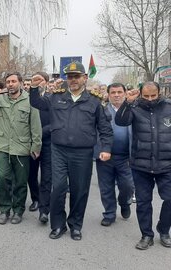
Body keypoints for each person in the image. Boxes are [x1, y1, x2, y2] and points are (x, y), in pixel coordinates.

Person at [29, 62, 113, 241]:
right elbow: (36, 102)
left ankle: (75, 225)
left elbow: (105, 128)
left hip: (82, 153)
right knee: (58, 188)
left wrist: (106, 148)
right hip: (58, 150)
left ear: (84, 78)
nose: (73, 80)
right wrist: (35, 86)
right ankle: (58, 225)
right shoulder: (55, 97)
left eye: (76, 76)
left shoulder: (95, 101)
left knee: (79, 190)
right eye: (70, 76)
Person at [115, 82, 171, 250]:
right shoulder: (135, 106)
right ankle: (146, 235)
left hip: (167, 164)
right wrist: (127, 102)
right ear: (140, 94)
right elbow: (121, 121)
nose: (150, 99)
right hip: (141, 164)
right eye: (146, 96)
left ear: (159, 93)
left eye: (153, 95)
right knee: (143, 202)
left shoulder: (169, 107)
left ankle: (164, 230)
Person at [0, 68, 42, 225]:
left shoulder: (31, 100)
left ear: (21, 83)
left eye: (13, 81)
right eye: (8, 82)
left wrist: (36, 146)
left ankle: (18, 210)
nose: (10, 84)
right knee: (2, 179)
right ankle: (4, 210)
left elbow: (35, 126)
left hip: (22, 148)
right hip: (3, 147)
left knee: (21, 182)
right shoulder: (0, 99)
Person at [95, 83, 134, 226]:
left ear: (124, 93)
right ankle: (109, 213)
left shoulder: (132, 111)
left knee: (128, 186)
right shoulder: (102, 111)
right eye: (113, 92)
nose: (116, 95)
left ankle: (125, 203)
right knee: (106, 187)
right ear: (108, 95)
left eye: (119, 92)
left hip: (126, 157)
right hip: (105, 156)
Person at [27, 72, 53, 223]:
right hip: (31, 143)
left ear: (46, 82)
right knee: (31, 174)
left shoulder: (53, 98)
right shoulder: (28, 97)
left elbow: (56, 121)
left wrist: (40, 133)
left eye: (40, 80)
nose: (38, 82)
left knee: (47, 177)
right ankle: (35, 199)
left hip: (48, 142)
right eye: (34, 80)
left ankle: (44, 210)